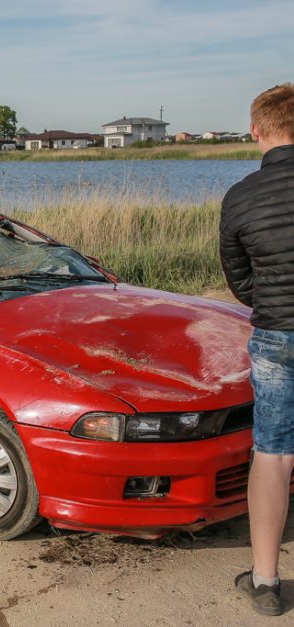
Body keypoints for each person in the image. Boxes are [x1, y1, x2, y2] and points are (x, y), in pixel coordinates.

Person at [220, 82, 294, 617]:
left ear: (257, 132)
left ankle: (265, 582)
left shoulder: (241, 196)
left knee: (274, 452)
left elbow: (239, 281)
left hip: (277, 337)